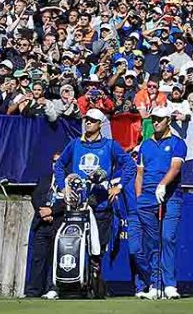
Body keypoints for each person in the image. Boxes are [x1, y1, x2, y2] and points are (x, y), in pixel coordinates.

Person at [53, 108, 136, 279]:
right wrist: (63, 187)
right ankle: (71, 281)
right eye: (86, 119)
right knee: (73, 245)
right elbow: (60, 164)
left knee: (97, 249)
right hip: (77, 205)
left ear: (100, 124)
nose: (88, 122)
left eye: (92, 120)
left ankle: (94, 281)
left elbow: (130, 165)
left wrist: (118, 186)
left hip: (101, 205)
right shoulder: (75, 144)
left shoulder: (110, 145)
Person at [133, 107, 186, 300]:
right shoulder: (145, 145)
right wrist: (139, 197)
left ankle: (169, 285)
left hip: (170, 195)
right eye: (153, 119)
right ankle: (154, 285)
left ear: (168, 121)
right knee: (151, 242)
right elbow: (139, 173)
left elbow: (175, 167)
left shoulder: (177, 143)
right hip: (147, 197)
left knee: (167, 238)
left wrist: (163, 185)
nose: (155, 122)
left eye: (159, 119)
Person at [25, 154, 65, 300]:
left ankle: (52, 289)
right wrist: (43, 212)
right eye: (54, 161)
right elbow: (35, 197)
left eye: (59, 161)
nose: (56, 164)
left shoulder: (67, 181)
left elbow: (69, 201)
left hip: (58, 224)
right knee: (38, 258)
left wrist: (52, 212)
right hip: (42, 224)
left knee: (55, 259)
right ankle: (33, 291)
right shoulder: (44, 178)